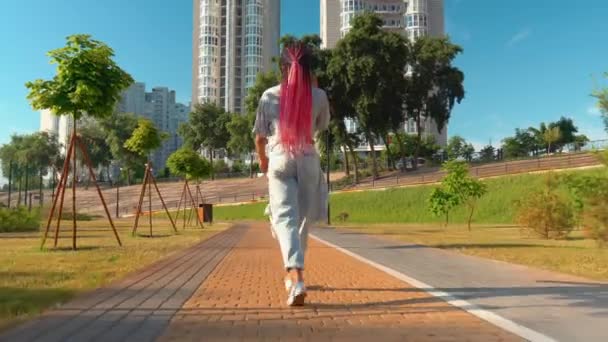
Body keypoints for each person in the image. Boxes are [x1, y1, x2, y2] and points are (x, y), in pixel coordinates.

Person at [253, 42, 330, 306]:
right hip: (308, 159)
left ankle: (295, 275)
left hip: (280, 157)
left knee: (283, 218)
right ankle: (293, 273)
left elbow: (260, 137)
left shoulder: (269, 95)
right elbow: (322, 126)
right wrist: (315, 87)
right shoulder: (319, 96)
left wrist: (263, 161)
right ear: (309, 69)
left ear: (283, 68)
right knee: (301, 222)